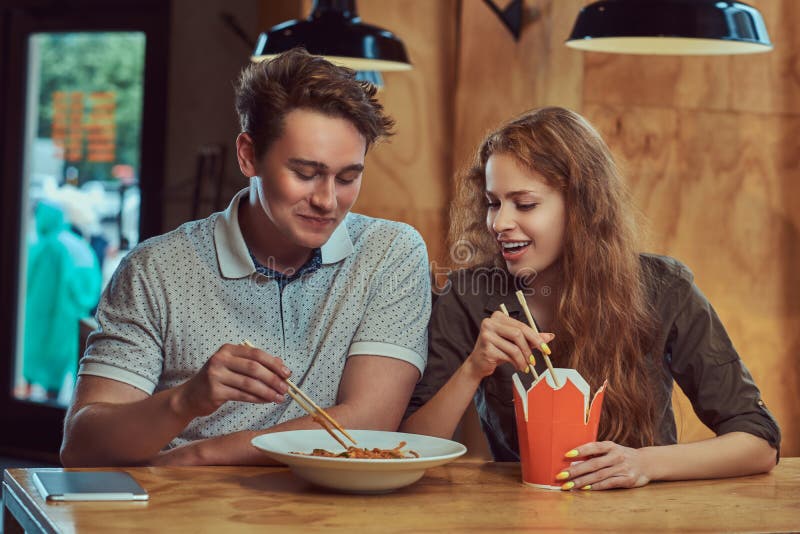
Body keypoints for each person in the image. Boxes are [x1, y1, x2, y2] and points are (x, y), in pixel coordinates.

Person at [61, 48, 431, 467]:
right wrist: (185, 401)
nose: (328, 200)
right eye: (306, 173)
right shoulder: (155, 269)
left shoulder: (390, 253)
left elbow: (368, 423)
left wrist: (200, 456)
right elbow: (82, 445)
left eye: (347, 177)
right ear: (248, 156)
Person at [401, 107, 780, 490]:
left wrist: (644, 463)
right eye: (493, 203)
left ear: (583, 207)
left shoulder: (665, 288)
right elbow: (410, 448)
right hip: (523, 515)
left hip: (644, 514)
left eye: (525, 204)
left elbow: (759, 443)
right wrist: (473, 368)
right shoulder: (468, 295)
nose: (499, 223)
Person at [22, 200, 102, 401]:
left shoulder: (47, 245)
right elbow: (90, 283)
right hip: (72, 316)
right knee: (63, 366)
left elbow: (24, 279)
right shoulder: (76, 244)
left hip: (42, 317)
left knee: (37, 361)